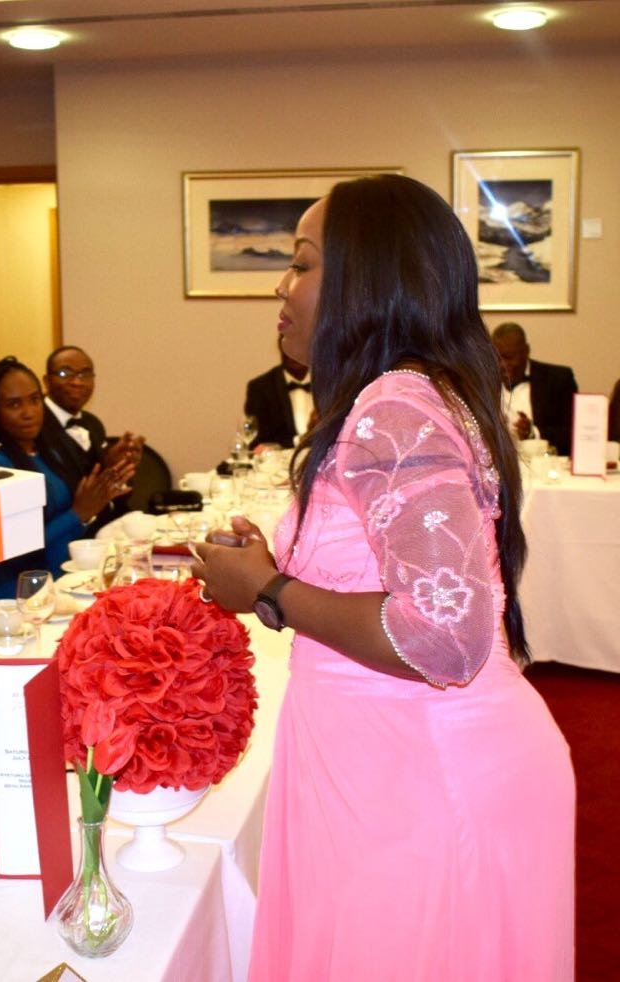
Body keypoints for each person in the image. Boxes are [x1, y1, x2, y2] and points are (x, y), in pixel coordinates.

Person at [192, 175, 574, 981]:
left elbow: (446, 636)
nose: (281, 286)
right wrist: (275, 571)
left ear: (365, 281)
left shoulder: (393, 407)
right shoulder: (411, 393)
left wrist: (269, 591)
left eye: (302, 264)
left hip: (424, 773)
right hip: (388, 759)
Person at [0, 357, 134, 600]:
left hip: (64, 577)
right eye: (14, 404)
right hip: (21, 592)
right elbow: (16, 550)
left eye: (34, 400)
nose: (29, 412)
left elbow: (74, 512)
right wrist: (78, 514)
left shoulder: (49, 450)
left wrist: (100, 492)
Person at [41, 345, 144, 527]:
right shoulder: (35, 425)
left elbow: (108, 494)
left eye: (85, 374)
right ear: (47, 381)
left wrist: (116, 468)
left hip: (107, 527)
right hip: (64, 533)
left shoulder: (93, 423)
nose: (77, 382)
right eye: (65, 373)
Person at [492, 321, 578, 456]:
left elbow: (574, 432)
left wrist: (533, 432)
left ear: (526, 351)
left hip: (543, 464)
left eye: (509, 357)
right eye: (496, 358)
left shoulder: (558, 380)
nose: (502, 365)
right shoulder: (482, 383)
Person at [244, 336, 313, 448]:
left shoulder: (330, 382)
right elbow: (259, 440)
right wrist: (301, 440)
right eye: (288, 347)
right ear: (281, 348)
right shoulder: (261, 388)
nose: (293, 353)